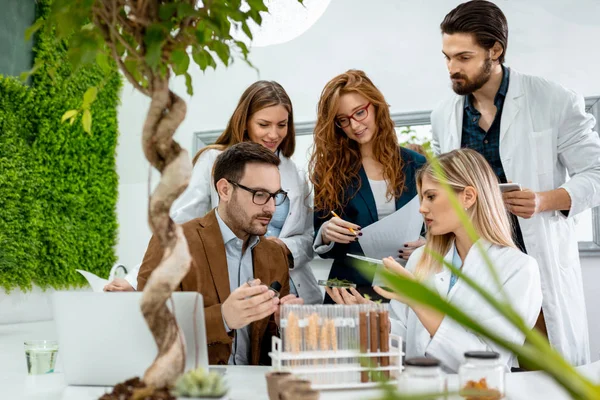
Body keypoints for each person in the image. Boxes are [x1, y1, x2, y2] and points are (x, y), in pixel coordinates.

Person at [430, 0, 600, 366]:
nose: (452, 69)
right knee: (476, 372)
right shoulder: (444, 114)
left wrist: (545, 200)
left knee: (543, 371)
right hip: (474, 269)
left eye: (463, 57)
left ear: (496, 50)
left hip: (535, 266)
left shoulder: (553, 99)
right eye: (446, 57)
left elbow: (597, 173)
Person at [327, 149, 543, 373]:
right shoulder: (422, 259)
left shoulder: (519, 269)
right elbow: (403, 337)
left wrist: (420, 302)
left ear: (468, 197)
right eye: (422, 198)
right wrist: (376, 322)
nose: (422, 208)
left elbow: (487, 362)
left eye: (431, 196)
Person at [107, 81, 322, 305]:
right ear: (245, 121)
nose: (273, 134)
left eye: (282, 125)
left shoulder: (296, 174)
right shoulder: (213, 161)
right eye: (264, 124)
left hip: (291, 292)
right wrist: (134, 280)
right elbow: (180, 225)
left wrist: (285, 249)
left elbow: (308, 236)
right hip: (236, 287)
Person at [137, 142, 301, 365]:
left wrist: (284, 326)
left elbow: (266, 347)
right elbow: (145, 329)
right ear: (224, 189)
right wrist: (222, 318)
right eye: (260, 194)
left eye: (276, 195)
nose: (271, 208)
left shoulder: (275, 254)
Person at [309, 70, 426, 303]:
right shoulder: (330, 171)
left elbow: (435, 225)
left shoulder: (416, 164)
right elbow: (324, 240)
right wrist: (325, 233)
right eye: (343, 120)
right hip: (348, 292)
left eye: (359, 112)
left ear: (376, 106)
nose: (354, 125)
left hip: (406, 287)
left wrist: (426, 245)